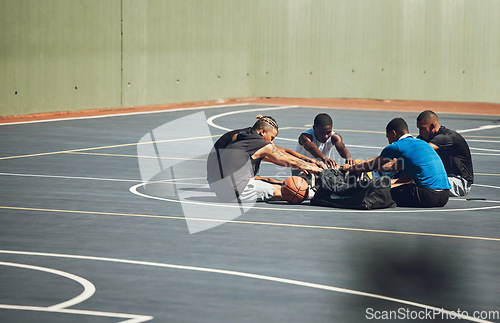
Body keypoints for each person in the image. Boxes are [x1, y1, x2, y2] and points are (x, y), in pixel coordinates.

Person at [207, 115, 323, 202]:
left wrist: (307, 163)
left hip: (220, 188)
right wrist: (315, 169)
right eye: (272, 137)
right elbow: (284, 159)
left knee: (272, 181)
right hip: (233, 192)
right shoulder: (258, 143)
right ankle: (314, 194)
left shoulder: (244, 136)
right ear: (263, 132)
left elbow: (278, 157)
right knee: (290, 191)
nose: (272, 142)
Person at [340, 118, 451, 208]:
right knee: (393, 186)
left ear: (393, 133)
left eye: (388, 137)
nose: (388, 140)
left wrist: (350, 168)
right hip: (443, 197)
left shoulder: (397, 146)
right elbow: (397, 171)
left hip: (426, 196)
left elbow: (370, 165)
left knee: (377, 192)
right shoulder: (422, 144)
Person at [416, 110, 474, 196]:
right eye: (419, 129)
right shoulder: (424, 137)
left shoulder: (447, 137)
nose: (420, 132)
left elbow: (423, 150)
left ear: (433, 125)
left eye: (423, 128)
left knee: (417, 185)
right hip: (443, 178)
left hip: (460, 182)